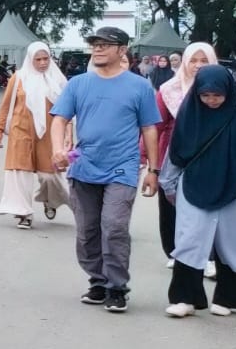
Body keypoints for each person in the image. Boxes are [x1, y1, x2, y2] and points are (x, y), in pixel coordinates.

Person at [50, 27, 162, 314]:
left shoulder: (139, 87)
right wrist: (58, 150)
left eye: (105, 45)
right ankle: (98, 281)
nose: (98, 49)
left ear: (122, 50)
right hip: (84, 165)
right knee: (87, 230)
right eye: (95, 45)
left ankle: (117, 287)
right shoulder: (78, 84)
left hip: (122, 168)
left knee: (113, 226)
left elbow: (149, 128)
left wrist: (153, 168)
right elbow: (60, 119)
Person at [161, 66, 236, 318]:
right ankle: (185, 298)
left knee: (234, 242)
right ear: (197, 94)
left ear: (228, 91)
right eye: (205, 95)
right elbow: (175, 152)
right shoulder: (190, 114)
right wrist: (167, 183)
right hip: (194, 186)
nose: (211, 100)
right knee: (189, 240)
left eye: (217, 95)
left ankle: (229, 297)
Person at [152, 43, 216, 274]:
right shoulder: (168, 89)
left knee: (206, 207)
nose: (198, 65)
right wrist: (148, 162)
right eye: (194, 60)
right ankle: (173, 251)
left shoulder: (219, 88)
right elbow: (155, 126)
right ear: (185, 62)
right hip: (171, 156)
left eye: (204, 60)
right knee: (170, 205)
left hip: (209, 157)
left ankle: (207, 256)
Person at [0, 42, 69, 230]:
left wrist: (68, 134)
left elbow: (69, 112)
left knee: (49, 175)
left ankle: (50, 200)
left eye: (46, 59)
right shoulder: (19, 78)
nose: (43, 63)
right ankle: (23, 213)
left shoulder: (58, 80)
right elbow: (5, 106)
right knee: (20, 172)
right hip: (21, 131)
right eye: (38, 59)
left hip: (48, 134)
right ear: (30, 59)